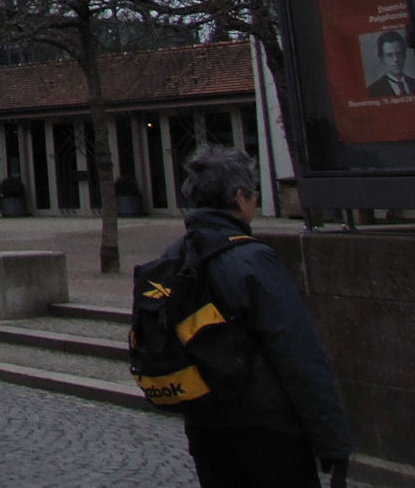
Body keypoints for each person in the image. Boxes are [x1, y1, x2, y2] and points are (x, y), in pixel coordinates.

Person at [174, 146, 352, 488]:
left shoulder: (175, 258)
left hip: (205, 424)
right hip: (268, 426)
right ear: (240, 198)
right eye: (253, 195)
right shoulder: (253, 260)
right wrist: (333, 441)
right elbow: (297, 352)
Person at [365, 30, 413, 98]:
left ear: (404, 55)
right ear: (382, 59)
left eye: (399, 54)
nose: (395, 59)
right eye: (389, 55)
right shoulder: (372, 91)